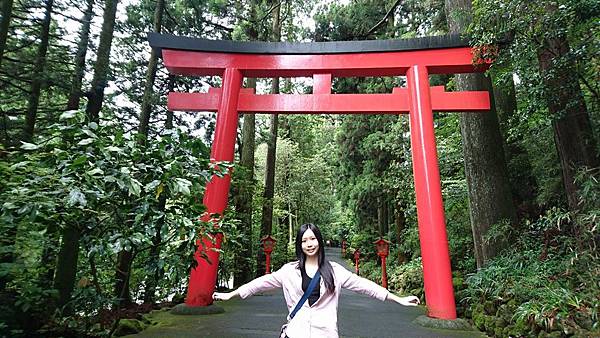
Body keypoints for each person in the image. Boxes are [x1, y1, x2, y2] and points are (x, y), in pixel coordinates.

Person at [213, 223, 420, 338]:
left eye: (312, 239)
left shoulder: (335, 271)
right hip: (296, 334)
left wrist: (397, 299)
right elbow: (261, 282)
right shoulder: (289, 271)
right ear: (299, 245)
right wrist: (233, 293)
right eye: (304, 240)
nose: (309, 244)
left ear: (319, 241)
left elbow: (365, 286)